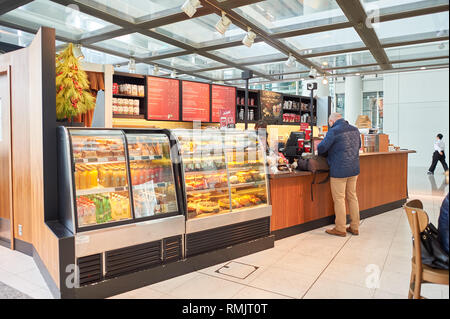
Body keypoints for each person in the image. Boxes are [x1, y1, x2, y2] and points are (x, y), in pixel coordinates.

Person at [317, 113, 361, 237]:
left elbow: (321, 148)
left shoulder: (333, 131)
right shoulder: (355, 129)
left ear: (331, 121)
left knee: (339, 199)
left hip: (339, 170)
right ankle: (355, 226)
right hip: (354, 169)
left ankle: (340, 228)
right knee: (352, 197)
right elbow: (359, 146)